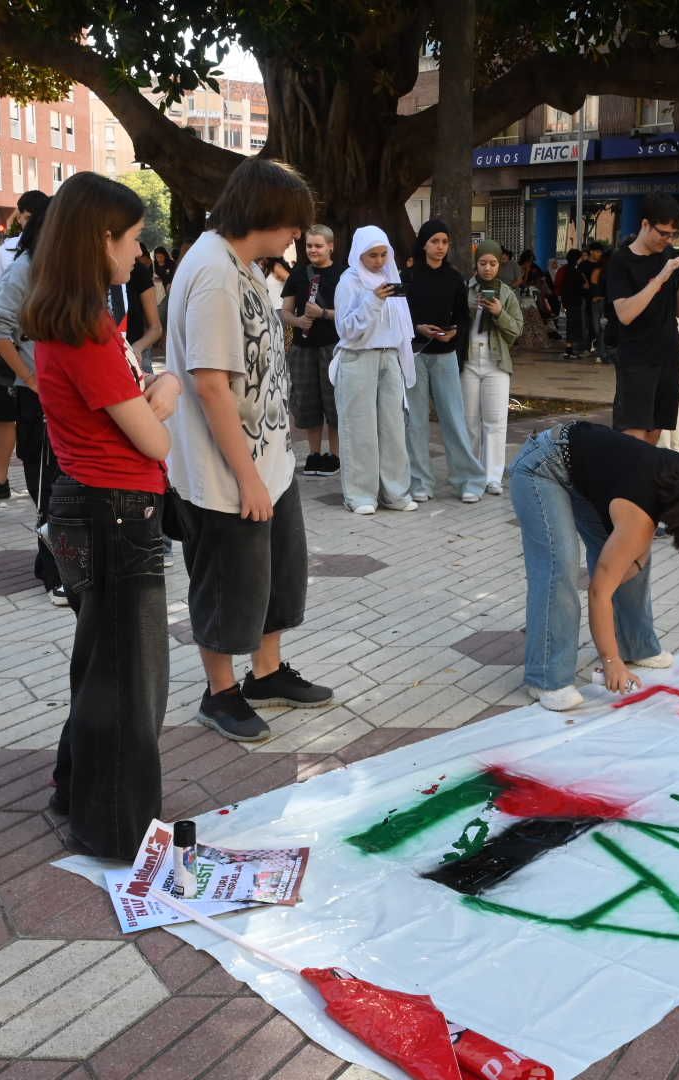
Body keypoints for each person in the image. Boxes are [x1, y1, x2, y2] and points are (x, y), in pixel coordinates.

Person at [21, 172, 176, 858]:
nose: (139, 253)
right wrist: (165, 393)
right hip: (114, 511)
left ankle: (77, 785)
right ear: (100, 239)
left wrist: (148, 396)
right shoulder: (85, 329)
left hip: (101, 506)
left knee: (104, 664)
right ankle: (116, 826)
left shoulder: (83, 320)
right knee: (129, 676)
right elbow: (152, 436)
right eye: (134, 239)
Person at [166, 157, 334, 743]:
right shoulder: (212, 271)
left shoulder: (243, 266)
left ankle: (265, 673)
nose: (296, 236)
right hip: (228, 472)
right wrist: (248, 478)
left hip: (269, 460)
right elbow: (210, 383)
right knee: (226, 584)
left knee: (277, 578)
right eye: (292, 224)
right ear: (265, 214)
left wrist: (270, 470)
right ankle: (220, 693)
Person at [510, 421, 679, 710]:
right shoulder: (639, 517)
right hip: (542, 466)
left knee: (634, 561)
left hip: (582, 469)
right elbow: (599, 593)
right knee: (559, 567)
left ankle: (637, 646)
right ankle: (546, 678)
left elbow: (638, 540)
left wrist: (632, 561)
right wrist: (611, 661)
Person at [0, 195, 65, 602]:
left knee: (65, 484)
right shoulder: (27, 267)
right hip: (39, 399)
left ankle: (58, 563)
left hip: (70, 395)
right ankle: (55, 571)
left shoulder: (70, 271)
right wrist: (30, 377)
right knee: (46, 484)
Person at [332, 226, 419, 516]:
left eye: (383, 254)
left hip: (389, 357)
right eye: (372, 255)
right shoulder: (349, 281)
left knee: (393, 428)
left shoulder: (391, 278)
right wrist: (374, 300)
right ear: (359, 253)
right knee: (360, 427)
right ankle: (359, 494)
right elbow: (347, 329)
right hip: (358, 358)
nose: (379, 261)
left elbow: (400, 325)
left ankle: (395, 492)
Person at [403, 219, 486, 502]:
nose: (440, 247)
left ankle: (469, 480)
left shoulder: (454, 278)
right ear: (424, 243)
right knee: (415, 422)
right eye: (434, 241)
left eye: (444, 242)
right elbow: (399, 316)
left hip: (445, 355)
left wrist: (454, 332)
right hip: (414, 356)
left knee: (453, 419)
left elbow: (463, 316)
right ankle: (420, 482)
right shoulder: (408, 277)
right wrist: (418, 328)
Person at [606, 193, 679, 445]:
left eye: (673, 235)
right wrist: (660, 278)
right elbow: (625, 314)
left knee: (654, 436)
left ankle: (644, 484)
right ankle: (628, 484)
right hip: (636, 359)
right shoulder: (621, 260)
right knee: (632, 438)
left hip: (667, 356)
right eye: (663, 233)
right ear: (645, 224)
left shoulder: (668, 255)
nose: (667, 240)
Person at [279, 224, 343, 477]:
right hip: (303, 347)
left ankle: (335, 456)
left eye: (318, 245)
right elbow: (285, 311)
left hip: (333, 346)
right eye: (309, 246)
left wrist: (324, 314)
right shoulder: (298, 274)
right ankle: (315, 455)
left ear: (330, 246)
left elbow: (351, 315)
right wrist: (298, 322)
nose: (313, 250)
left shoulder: (343, 275)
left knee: (334, 401)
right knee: (307, 401)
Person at [462, 240, 524, 495]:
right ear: (476, 264)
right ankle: (470, 477)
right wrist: (470, 310)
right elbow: (455, 323)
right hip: (468, 361)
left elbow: (516, 331)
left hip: (496, 362)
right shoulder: (466, 288)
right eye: (483, 263)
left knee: (496, 421)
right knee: (469, 422)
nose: (488, 268)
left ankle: (492, 477)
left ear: (500, 264)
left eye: (493, 263)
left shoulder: (506, 293)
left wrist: (499, 313)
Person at [125, 243, 162, 370]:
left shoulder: (139, 272)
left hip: (135, 357)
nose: (139, 251)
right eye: (132, 239)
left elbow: (156, 328)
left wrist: (136, 348)